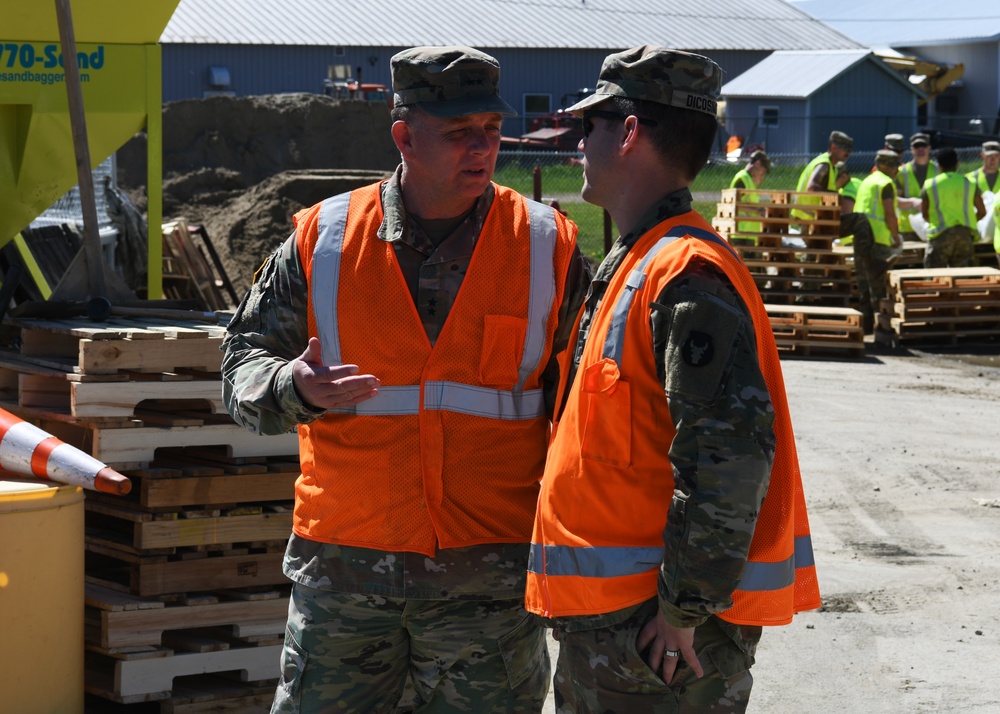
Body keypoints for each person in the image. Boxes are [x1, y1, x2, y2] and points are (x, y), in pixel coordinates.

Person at [222, 45, 590, 713]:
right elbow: (240, 365)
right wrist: (291, 389)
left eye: (490, 129)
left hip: (488, 589)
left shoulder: (547, 245)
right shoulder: (323, 241)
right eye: (458, 133)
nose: (481, 148)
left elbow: (588, 412)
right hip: (346, 579)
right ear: (404, 136)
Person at [524, 45, 821, 713]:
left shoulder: (683, 276)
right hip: (622, 628)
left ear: (629, 132)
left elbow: (728, 457)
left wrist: (684, 608)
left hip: (654, 641)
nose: (578, 142)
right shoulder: (638, 263)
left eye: (590, 124)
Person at [841, 150, 903, 333]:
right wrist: (896, 236)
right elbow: (889, 213)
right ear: (884, 166)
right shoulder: (885, 184)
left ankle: (866, 329)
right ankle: (881, 329)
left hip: (861, 241)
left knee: (864, 286)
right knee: (879, 287)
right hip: (878, 241)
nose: (896, 170)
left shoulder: (867, 181)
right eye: (894, 166)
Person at [921, 146, 985, 268]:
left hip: (939, 235)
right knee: (962, 278)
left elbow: (924, 213)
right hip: (964, 235)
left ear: (939, 165)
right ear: (957, 164)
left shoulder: (930, 185)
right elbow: (982, 211)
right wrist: (969, 221)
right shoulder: (970, 183)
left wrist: (936, 222)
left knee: (934, 277)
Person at [791, 129, 853, 226]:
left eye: (850, 150)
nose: (848, 153)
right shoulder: (823, 165)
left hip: (815, 220)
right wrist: (836, 195)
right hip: (809, 221)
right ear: (833, 147)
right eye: (845, 149)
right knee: (858, 221)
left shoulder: (832, 167)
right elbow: (811, 188)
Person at [896, 132, 938, 241]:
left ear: (929, 148)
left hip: (933, 226)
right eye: (916, 146)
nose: (920, 149)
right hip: (908, 229)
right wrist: (913, 202)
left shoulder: (938, 170)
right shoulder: (902, 172)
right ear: (911, 149)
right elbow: (895, 200)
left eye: (923, 146)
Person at [728, 149, 771, 244]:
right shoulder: (742, 179)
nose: (762, 174)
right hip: (740, 233)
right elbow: (735, 204)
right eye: (763, 171)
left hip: (748, 234)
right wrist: (757, 210)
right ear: (757, 163)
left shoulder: (750, 181)